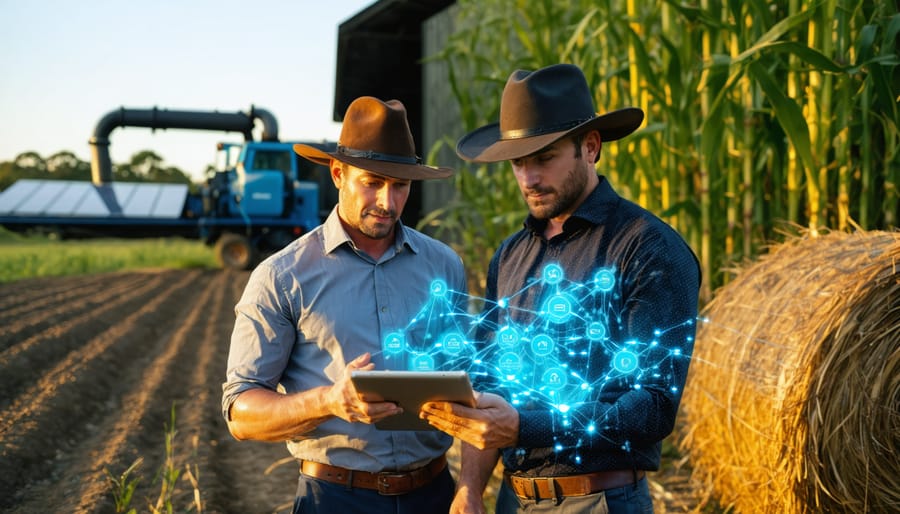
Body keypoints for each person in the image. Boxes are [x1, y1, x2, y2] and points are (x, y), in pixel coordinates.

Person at [420, 63, 701, 513]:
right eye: (518, 162)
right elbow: (492, 386)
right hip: (513, 499)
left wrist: (526, 429)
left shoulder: (647, 249)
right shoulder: (509, 257)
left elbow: (652, 406)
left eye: (544, 158)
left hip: (598, 499)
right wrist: (470, 487)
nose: (529, 178)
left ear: (590, 147)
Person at [221, 96, 467, 514]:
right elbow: (241, 412)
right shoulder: (282, 275)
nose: (388, 202)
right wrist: (330, 401)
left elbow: (474, 374)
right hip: (335, 498)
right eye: (372, 182)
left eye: (401, 185)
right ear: (338, 173)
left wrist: (471, 486)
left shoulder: (444, 265)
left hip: (436, 492)